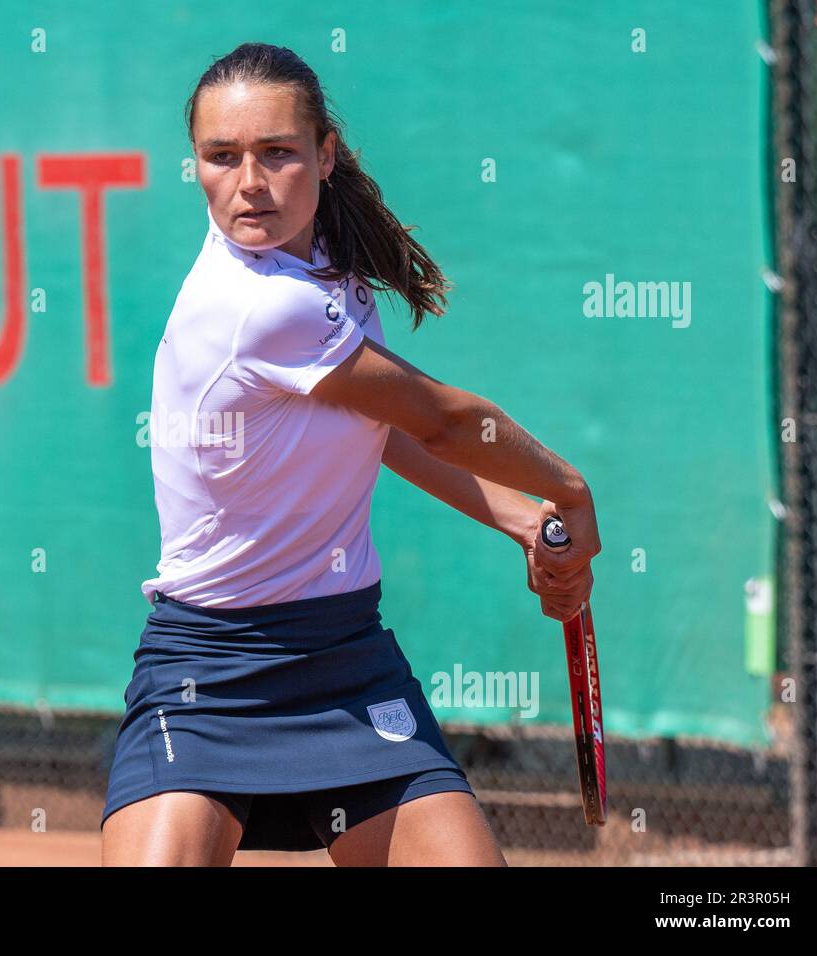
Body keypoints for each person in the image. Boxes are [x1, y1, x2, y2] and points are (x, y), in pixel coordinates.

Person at [101, 42, 599, 866]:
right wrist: (568, 491)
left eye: (278, 153)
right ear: (195, 166)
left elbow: (386, 430)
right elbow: (441, 419)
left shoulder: (327, 266)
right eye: (221, 158)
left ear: (325, 154)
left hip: (345, 659)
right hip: (208, 673)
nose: (249, 182)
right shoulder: (254, 306)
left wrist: (521, 521)